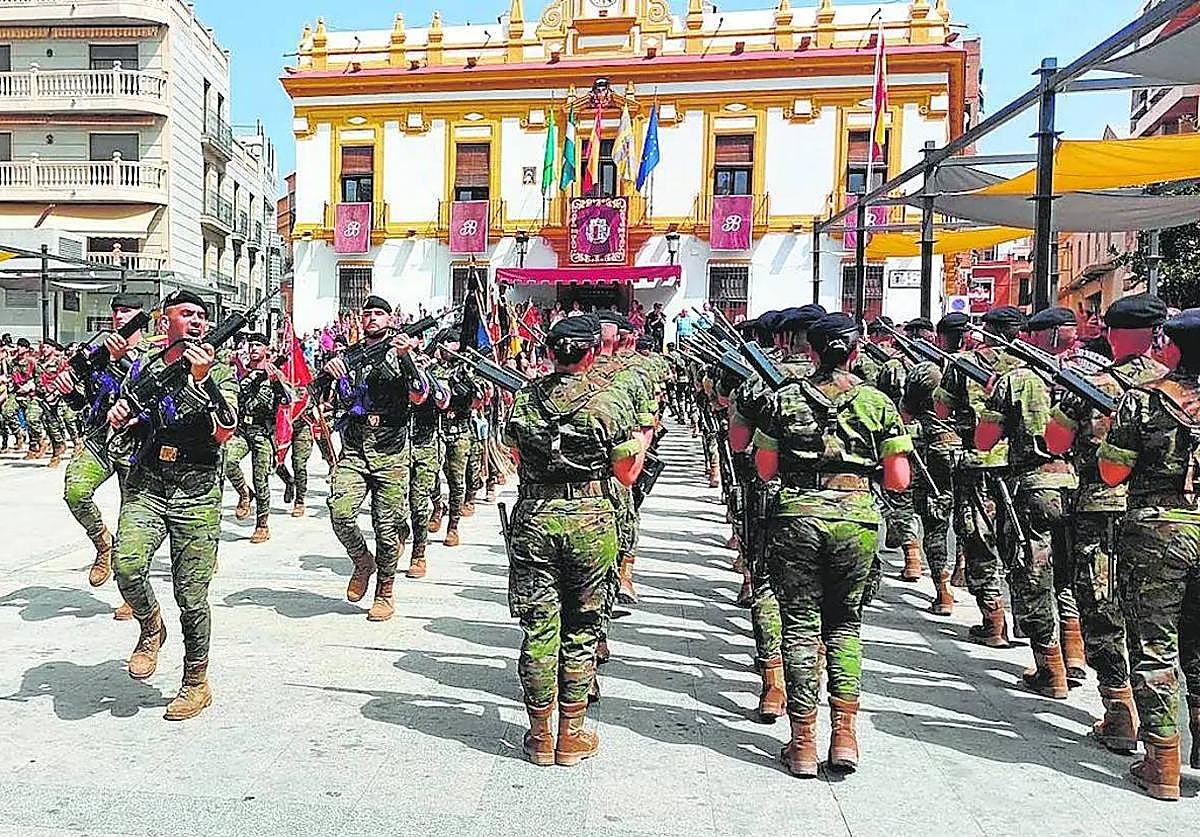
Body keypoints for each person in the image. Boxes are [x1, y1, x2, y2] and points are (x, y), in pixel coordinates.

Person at [752, 312, 912, 777]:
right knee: (844, 627)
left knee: (799, 626)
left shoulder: (784, 399)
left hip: (797, 517)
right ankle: (845, 735)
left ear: (812, 351)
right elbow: (899, 479)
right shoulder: (878, 402)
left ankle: (802, 742)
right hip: (857, 520)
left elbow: (764, 469)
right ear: (856, 352)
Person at [503, 312, 644, 766]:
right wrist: (639, 444)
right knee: (581, 629)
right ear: (591, 353)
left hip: (536, 518)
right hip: (591, 521)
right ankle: (572, 734)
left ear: (549, 353)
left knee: (539, 628)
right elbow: (625, 475)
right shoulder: (612, 400)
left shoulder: (526, 399)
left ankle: (540, 736)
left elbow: (516, 452)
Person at [1044, 293, 1168, 754]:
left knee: (1101, 607)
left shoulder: (1090, 384)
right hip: (1163, 517)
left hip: (1099, 507)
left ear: (1112, 334)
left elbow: (1054, 442)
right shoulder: (1180, 388)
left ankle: (1119, 712)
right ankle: (1166, 731)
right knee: (1156, 619)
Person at [109, 290, 238, 721]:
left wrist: (202, 384)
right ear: (167, 322)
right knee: (126, 566)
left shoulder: (219, 368)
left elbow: (225, 431)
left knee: (191, 595)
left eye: (203, 315)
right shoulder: (146, 366)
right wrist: (122, 414)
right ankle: (150, 626)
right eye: (187, 314)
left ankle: (196, 682)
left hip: (197, 491)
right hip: (147, 483)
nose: (198, 321)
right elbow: (131, 410)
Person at [1100, 306, 1200, 801]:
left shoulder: (1144, 401)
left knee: (1155, 646)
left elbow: (1112, 473)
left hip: (1158, 533)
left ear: (1173, 348)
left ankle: (1162, 763)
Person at [977, 307, 1081, 698]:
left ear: (1032, 336)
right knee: (1071, 573)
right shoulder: (1089, 374)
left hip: (1033, 485)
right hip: (1076, 485)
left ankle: (1050, 669)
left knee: (1032, 574)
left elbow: (985, 440)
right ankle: (1075, 653)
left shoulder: (1016, 379)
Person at [323, 295, 428, 621]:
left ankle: (385, 590)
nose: (372, 318)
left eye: (379, 313)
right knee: (340, 513)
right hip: (354, 448)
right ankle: (362, 561)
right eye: (367, 313)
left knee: (387, 528)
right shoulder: (349, 355)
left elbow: (420, 394)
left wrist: (407, 357)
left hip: (391, 451)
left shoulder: (404, 353)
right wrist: (332, 372)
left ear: (389, 318)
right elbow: (328, 396)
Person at [55, 293, 148, 620]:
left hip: (136, 445)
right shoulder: (96, 355)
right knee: (75, 492)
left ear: (140, 316)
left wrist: (120, 360)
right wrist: (69, 390)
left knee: (132, 518)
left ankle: (132, 595)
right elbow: (85, 403)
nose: (120, 317)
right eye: (116, 312)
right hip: (99, 439)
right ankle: (102, 543)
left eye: (127, 312)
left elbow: (147, 394)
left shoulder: (150, 353)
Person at [225, 333, 293, 543]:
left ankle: (262, 525)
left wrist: (275, 382)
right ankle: (245, 493)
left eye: (258, 345)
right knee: (228, 460)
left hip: (263, 433)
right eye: (251, 345)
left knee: (260, 479)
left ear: (266, 350)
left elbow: (288, 399)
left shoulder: (275, 373)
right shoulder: (241, 372)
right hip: (243, 430)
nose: (253, 348)